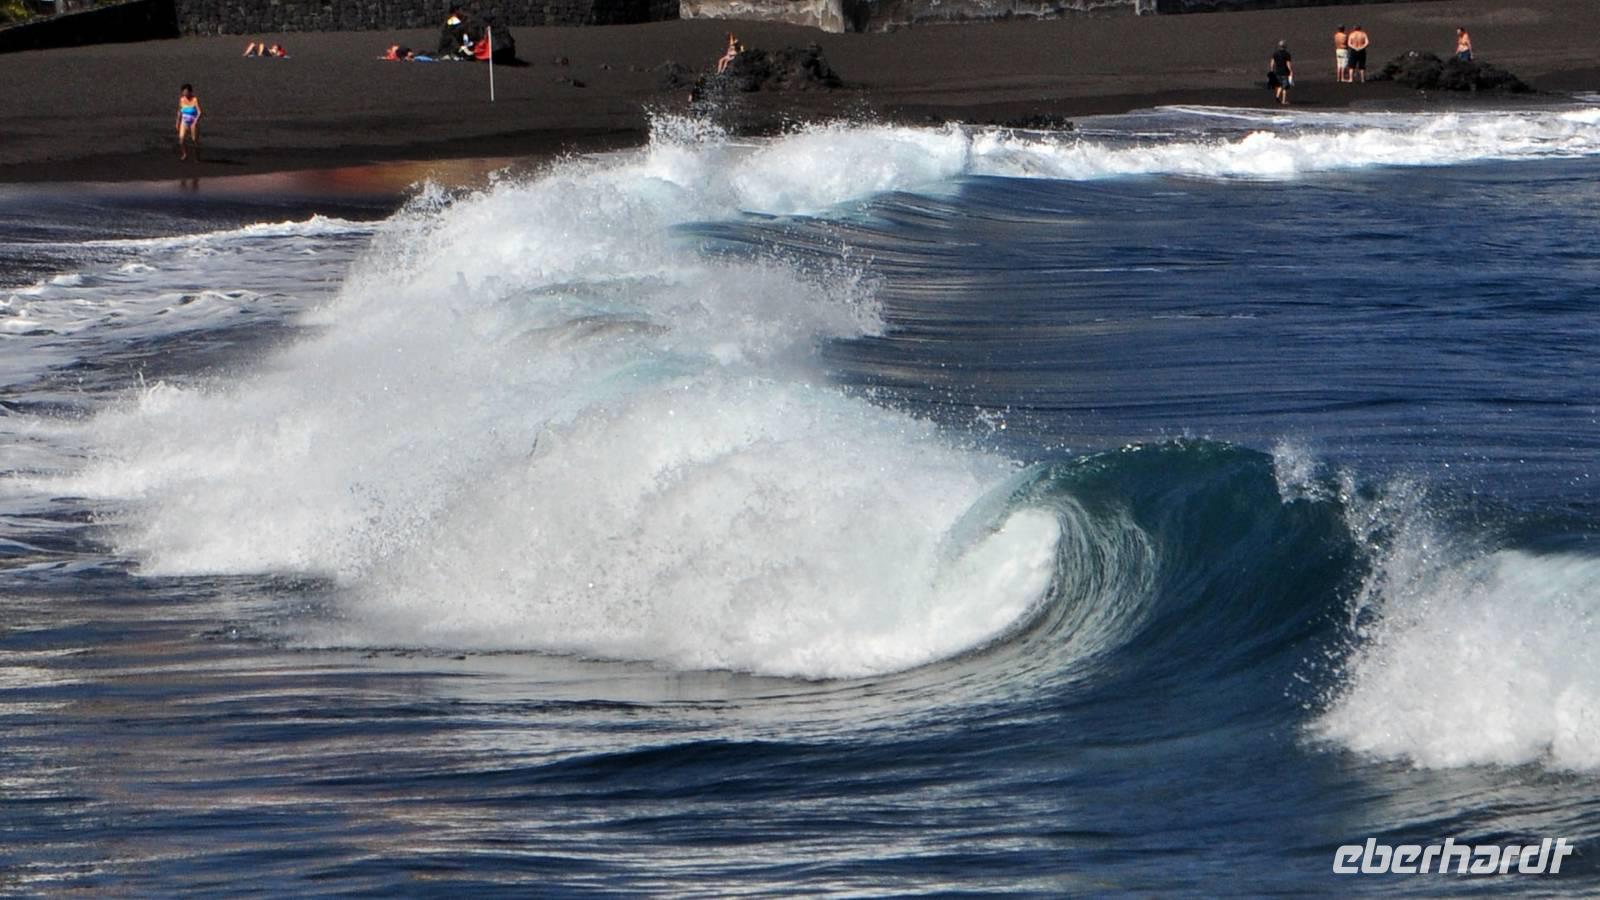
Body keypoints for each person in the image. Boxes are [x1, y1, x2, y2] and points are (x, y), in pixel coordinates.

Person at [176, 83, 201, 161]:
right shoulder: (182, 99)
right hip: (184, 121)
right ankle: (185, 154)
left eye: (186, 92)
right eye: (183, 92)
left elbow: (200, 112)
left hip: (193, 121)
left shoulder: (195, 100)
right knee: (181, 139)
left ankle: (197, 156)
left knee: (194, 140)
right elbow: (179, 111)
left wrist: (196, 121)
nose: (185, 94)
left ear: (190, 92)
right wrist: (177, 121)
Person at [1269, 40, 1293, 106]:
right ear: (1285, 46)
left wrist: (1271, 69)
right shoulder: (1287, 54)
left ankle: (1277, 96)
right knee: (1285, 87)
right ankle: (1283, 101)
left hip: (1277, 72)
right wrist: (1291, 71)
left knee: (1279, 85)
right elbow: (1288, 64)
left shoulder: (1275, 53)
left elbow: (1272, 62)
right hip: (1284, 72)